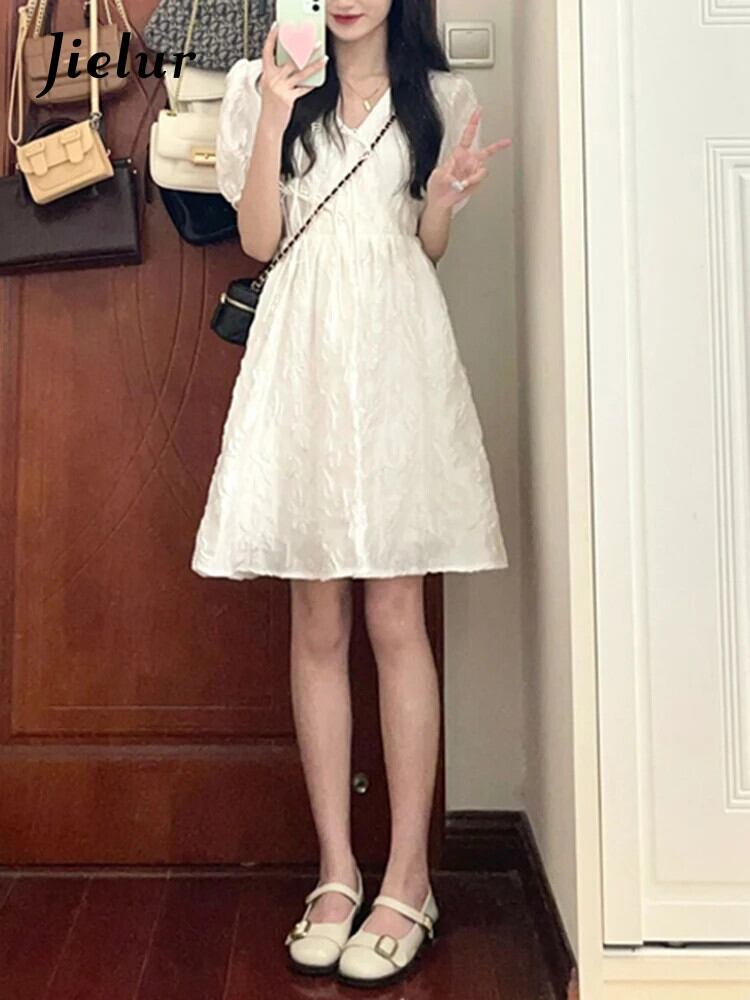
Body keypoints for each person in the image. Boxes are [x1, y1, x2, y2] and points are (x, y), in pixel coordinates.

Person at [191, 0, 510, 986]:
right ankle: (337, 872)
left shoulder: (439, 99)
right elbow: (258, 239)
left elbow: (425, 247)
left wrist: (443, 199)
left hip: (398, 360)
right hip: (304, 363)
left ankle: (408, 878)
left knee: (397, 612)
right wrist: (274, 112)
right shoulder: (261, 89)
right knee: (318, 614)